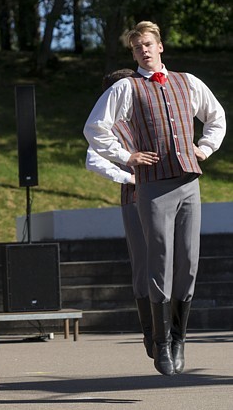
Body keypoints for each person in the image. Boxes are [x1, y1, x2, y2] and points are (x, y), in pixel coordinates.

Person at [84, 22, 226, 375]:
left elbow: (216, 117)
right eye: (136, 48)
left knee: (189, 261)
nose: (143, 51)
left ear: (160, 46)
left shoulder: (187, 81)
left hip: (188, 181)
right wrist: (125, 156)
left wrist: (205, 148)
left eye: (147, 44)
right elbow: (94, 128)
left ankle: (178, 338)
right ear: (133, 54)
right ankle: (161, 342)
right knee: (159, 259)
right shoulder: (127, 87)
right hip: (151, 185)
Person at [85, 69, 153, 359]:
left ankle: (167, 329)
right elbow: (93, 161)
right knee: (143, 265)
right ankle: (151, 331)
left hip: (165, 194)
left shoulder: (149, 117)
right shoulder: (109, 127)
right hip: (136, 198)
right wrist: (129, 177)